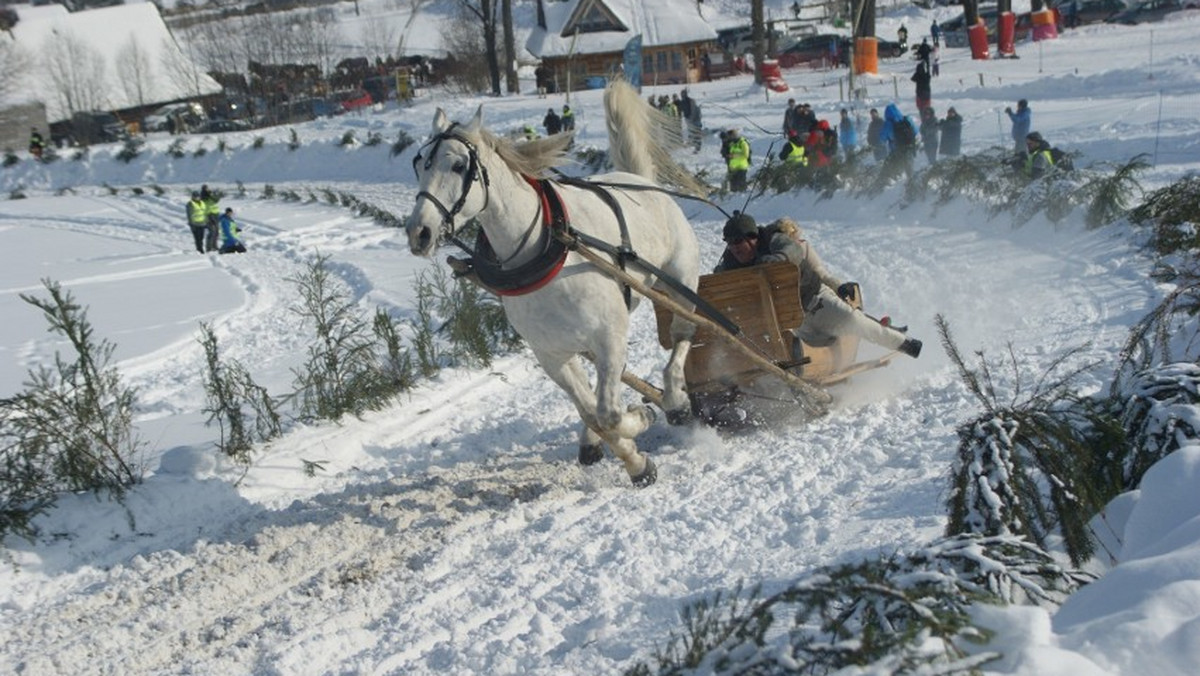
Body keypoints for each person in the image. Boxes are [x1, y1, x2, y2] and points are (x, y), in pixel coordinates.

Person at [714, 212, 921, 359]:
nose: (734, 248)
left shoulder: (773, 240)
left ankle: (903, 343)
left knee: (854, 321)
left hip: (817, 302)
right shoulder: (730, 262)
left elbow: (792, 252)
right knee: (803, 347)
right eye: (729, 243)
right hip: (793, 319)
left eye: (738, 241)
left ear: (753, 238)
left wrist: (773, 261)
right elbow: (719, 282)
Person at [723, 128, 751, 192]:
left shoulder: (743, 143)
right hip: (733, 168)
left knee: (741, 184)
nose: (730, 138)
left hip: (741, 167)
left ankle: (742, 195)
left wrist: (734, 156)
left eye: (731, 136)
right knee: (733, 186)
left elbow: (746, 155)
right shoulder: (732, 144)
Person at [200, 184, 220, 252]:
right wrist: (209, 194)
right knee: (212, 231)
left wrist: (213, 194)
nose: (207, 189)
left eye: (207, 188)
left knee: (216, 231)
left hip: (215, 214)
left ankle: (214, 246)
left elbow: (216, 200)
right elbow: (204, 198)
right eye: (205, 188)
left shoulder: (211, 195)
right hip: (208, 215)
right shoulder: (203, 195)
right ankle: (209, 248)